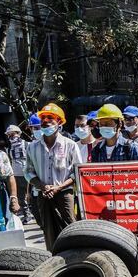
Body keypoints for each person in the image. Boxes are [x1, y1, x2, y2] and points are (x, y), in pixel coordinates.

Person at [23, 104, 81, 249]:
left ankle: (73, 258)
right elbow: (28, 171)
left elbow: (77, 171)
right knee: (48, 230)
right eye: (43, 117)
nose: (46, 121)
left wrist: (59, 187)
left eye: (51, 118)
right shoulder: (32, 147)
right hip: (43, 194)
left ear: (59, 122)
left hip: (64, 193)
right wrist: (42, 186)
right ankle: (53, 259)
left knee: (70, 228)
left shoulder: (70, 145)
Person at [5, 124, 29, 223]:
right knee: (21, 197)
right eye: (9, 135)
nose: (11, 136)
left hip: (28, 173)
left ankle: (37, 213)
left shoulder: (27, 144)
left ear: (18, 134)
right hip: (16, 174)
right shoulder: (9, 148)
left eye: (13, 134)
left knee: (31, 195)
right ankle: (26, 214)